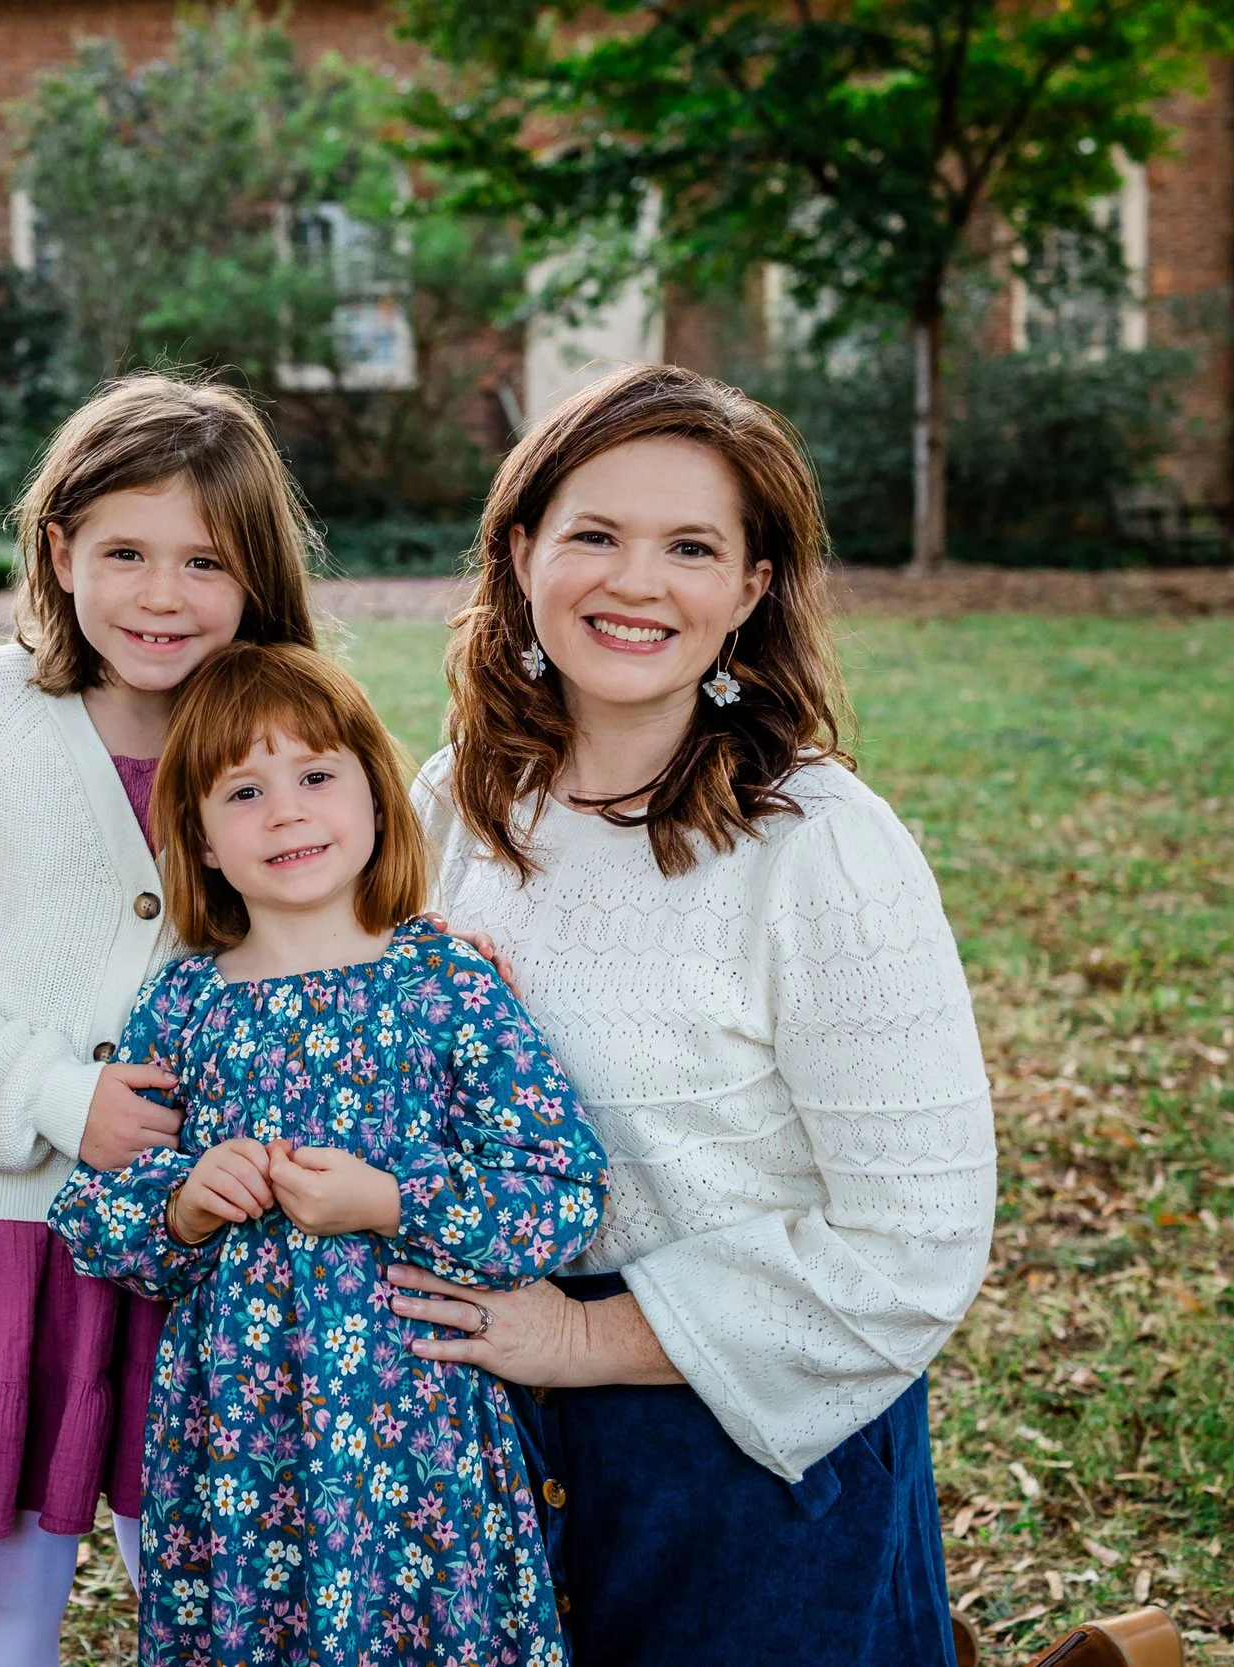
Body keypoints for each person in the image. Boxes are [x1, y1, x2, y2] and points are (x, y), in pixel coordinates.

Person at [386, 363, 998, 1666]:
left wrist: (584, 1334)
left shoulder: (818, 843)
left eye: (691, 546)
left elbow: (917, 1241)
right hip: (488, 1430)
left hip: (741, 1448)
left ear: (750, 588)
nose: (636, 580)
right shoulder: (458, 797)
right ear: (520, 548)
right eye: (595, 533)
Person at [0, 376, 322, 1667]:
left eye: (204, 561)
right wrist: (64, 1099)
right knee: (11, 1593)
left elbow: (326, 931)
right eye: (124, 552)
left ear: (254, 574)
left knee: (194, 1570)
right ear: (60, 551)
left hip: (203, 1238)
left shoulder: (274, 736)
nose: (162, 596)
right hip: (10, 1230)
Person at [48, 643, 610, 1667]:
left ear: (375, 795)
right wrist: (185, 1201)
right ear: (201, 840)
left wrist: (391, 1199)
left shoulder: (443, 983)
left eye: (315, 776)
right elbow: (93, 1213)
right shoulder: (184, 1002)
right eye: (243, 791)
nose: (287, 812)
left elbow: (558, 1188)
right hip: (242, 1431)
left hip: (419, 1418)